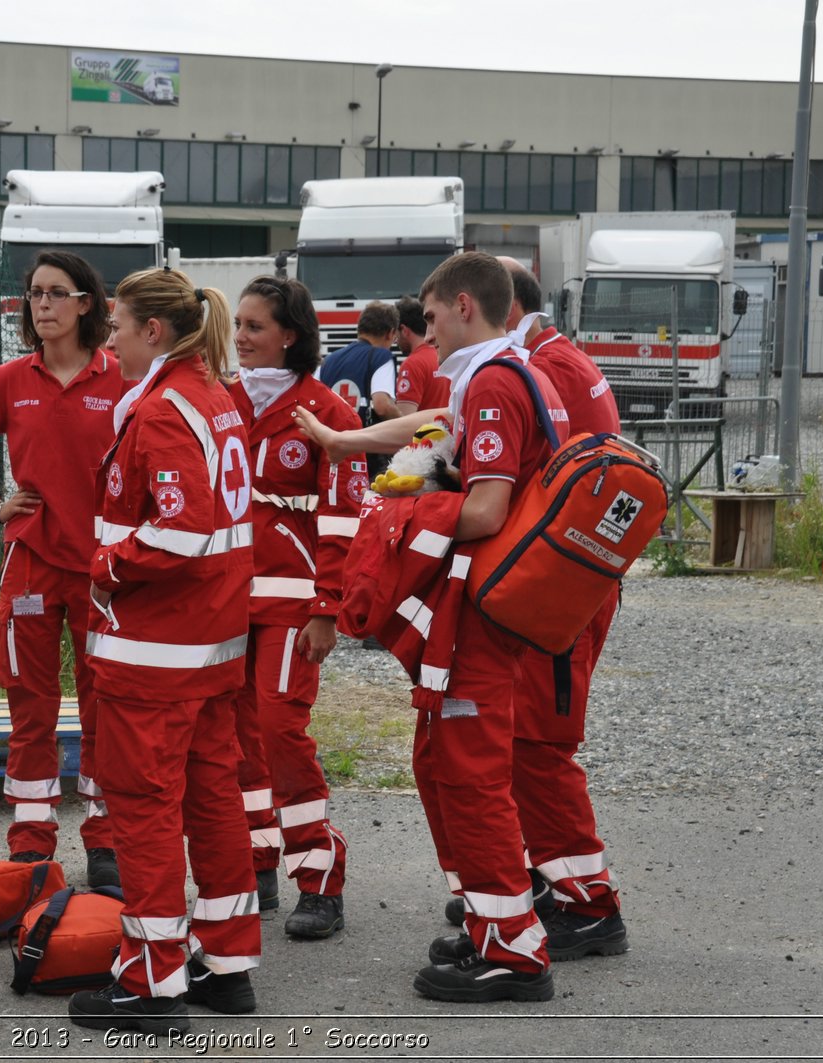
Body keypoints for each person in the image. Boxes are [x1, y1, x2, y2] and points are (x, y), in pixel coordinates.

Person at [294, 252, 570, 1003]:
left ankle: (515, 952)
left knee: (472, 778)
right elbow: (434, 430)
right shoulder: (504, 372)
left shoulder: (491, 382)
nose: (422, 329)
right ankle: (491, 923)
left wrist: (396, 516)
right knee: (443, 765)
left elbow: (484, 509)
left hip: (478, 618)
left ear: (463, 306)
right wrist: (348, 444)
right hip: (481, 613)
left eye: (431, 312)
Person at [67, 267, 260, 1034]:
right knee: (214, 803)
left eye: (115, 324)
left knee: (144, 810)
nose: (107, 337)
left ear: (153, 330)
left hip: (155, 652)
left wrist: (107, 566)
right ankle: (229, 961)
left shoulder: (163, 409)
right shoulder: (212, 394)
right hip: (210, 649)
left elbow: (180, 528)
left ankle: (152, 980)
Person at [433, 259, 628, 959]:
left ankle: (587, 900)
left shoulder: (535, 369)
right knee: (525, 744)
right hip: (555, 582)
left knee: (537, 747)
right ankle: (552, 884)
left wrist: (424, 506)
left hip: (553, 587)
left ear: (493, 305)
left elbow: (529, 492)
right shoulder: (552, 360)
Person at [0, 250, 123, 879]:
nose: (41, 304)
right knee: (30, 704)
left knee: (106, 704)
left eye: (55, 293)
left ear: (86, 304)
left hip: (103, 568)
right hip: (31, 561)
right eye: (34, 294)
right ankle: (31, 840)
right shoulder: (13, 378)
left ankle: (105, 838)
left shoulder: (122, 377)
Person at [223, 276, 363, 940]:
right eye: (239, 325)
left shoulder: (330, 412)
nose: (241, 337)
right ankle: (258, 859)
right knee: (234, 738)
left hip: (293, 604)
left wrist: (328, 607)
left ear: (291, 334)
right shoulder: (223, 402)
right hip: (223, 602)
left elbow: (343, 522)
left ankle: (320, 872)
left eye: (254, 326)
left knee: (281, 730)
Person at [317, 301, 400, 430]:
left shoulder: (326, 361)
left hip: (330, 443)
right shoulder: (382, 357)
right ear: (390, 333)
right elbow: (382, 406)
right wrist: (406, 426)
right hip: (363, 445)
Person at [394, 295, 450, 416]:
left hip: (424, 434)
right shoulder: (445, 357)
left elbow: (404, 420)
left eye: (396, 333)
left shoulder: (412, 364)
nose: (395, 340)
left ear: (404, 330)